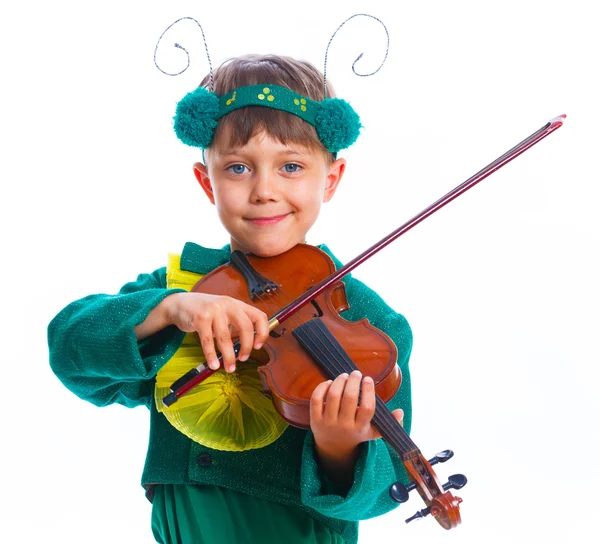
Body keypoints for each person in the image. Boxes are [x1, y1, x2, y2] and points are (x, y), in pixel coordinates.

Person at [48, 53, 413, 544]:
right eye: (239, 167)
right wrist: (170, 308)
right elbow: (70, 348)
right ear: (207, 181)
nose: (264, 191)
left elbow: (385, 491)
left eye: (291, 166)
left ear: (330, 179)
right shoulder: (185, 287)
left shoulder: (367, 321)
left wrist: (338, 446)